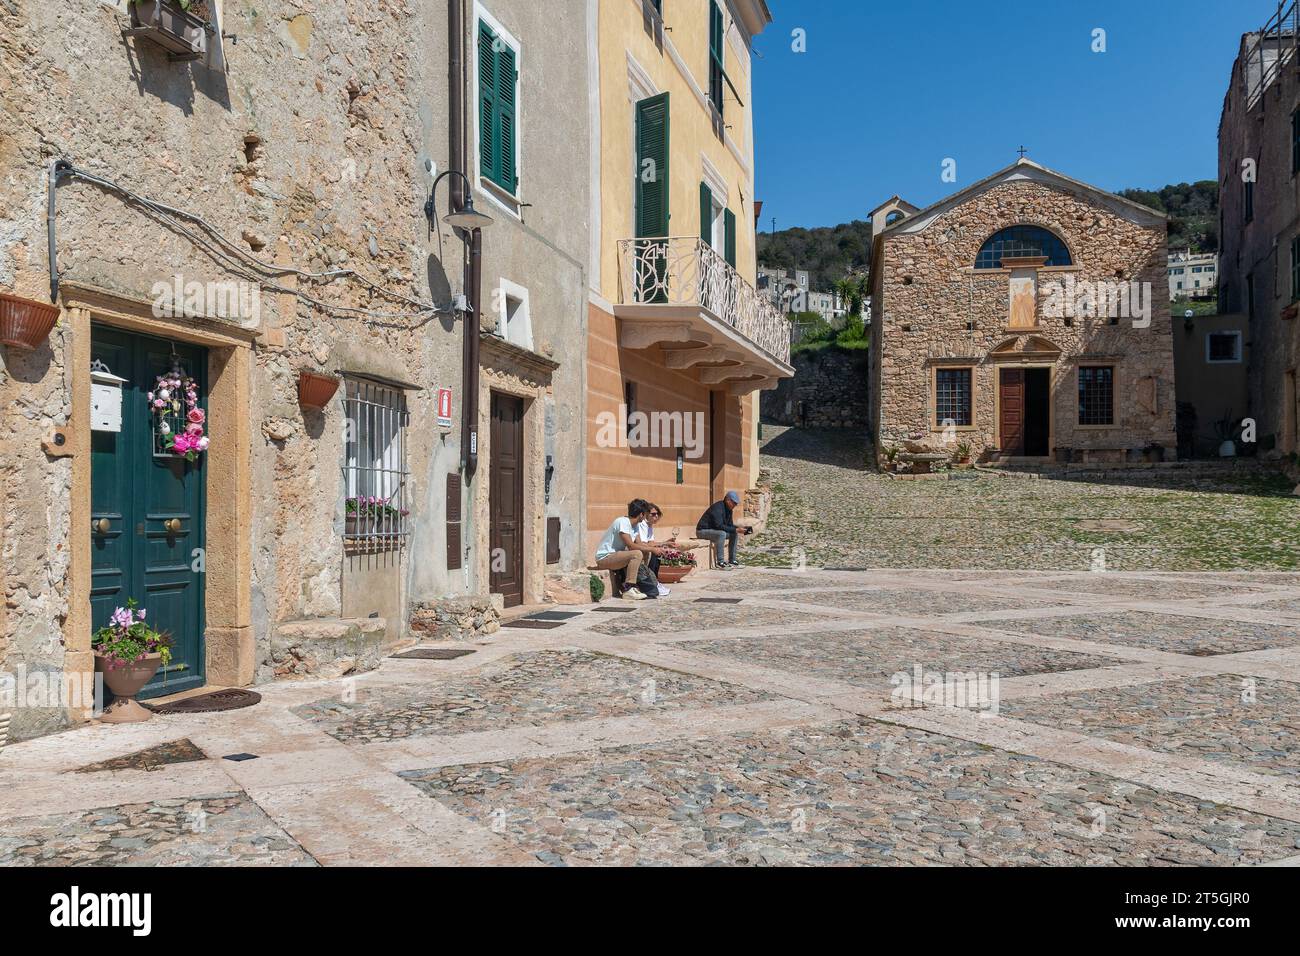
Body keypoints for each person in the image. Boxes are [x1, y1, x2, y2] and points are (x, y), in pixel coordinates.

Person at [593, 500, 652, 600]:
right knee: (636, 554)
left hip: (616, 556)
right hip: (605, 558)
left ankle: (639, 582)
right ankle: (629, 588)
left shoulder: (635, 525)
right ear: (641, 514)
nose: (646, 517)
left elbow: (640, 544)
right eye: (646, 514)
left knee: (645, 552)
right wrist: (653, 549)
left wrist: (653, 548)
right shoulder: (622, 522)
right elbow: (631, 546)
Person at [696, 491, 751, 569]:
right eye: (734, 503)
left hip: (714, 531)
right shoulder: (717, 508)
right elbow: (718, 525)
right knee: (722, 534)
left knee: (733, 533)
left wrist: (739, 529)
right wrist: (736, 529)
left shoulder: (729, 510)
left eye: (736, 503)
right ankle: (720, 562)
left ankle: (732, 560)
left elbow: (729, 525)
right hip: (702, 531)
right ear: (728, 500)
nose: (735, 505)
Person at [636, 503, 677, 597]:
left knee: (657, 552)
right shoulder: (642, 525)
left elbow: (651, 542)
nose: (656, 516)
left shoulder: (649, 526)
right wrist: (664, 544)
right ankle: (653, 582)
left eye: (657, 514)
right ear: (646, 514)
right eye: (653, 514)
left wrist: (665, 543)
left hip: (643, 547)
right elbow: (645, 544)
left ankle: (655, 581)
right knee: (654, 552)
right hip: (638, 549)